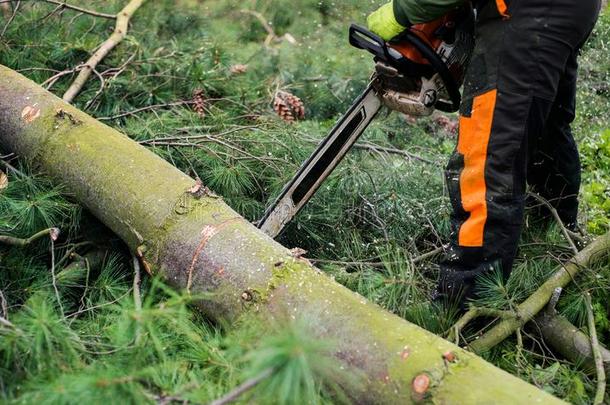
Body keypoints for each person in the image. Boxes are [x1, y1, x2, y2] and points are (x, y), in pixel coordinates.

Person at [367, 0, 602, 304]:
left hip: (526, 10)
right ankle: (551, 241)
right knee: (543, 130)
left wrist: (402, 12)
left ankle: (466, 300)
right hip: (567, 9)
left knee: (489, 153)